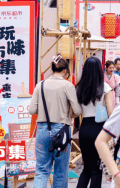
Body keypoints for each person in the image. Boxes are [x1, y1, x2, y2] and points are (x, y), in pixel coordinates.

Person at [29, 55, 82, 188]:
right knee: (60, 172)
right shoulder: (67, 85)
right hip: (62, 130)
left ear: (52, 70)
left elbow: (32, 110)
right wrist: (66, 113)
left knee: (41, 171)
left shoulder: (40, 85)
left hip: (42, 129)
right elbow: (77, 110)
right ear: (65, 71)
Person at [76, 57, 115, 188]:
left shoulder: (79, 87)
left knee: (86, 168)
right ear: (100, 69)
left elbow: (76, 111)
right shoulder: (105, 87)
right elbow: (111, 112)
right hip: (99, 130)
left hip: (84, 128)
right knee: (97, 169)